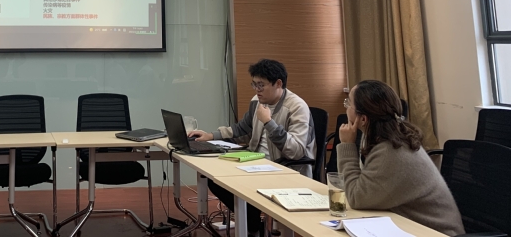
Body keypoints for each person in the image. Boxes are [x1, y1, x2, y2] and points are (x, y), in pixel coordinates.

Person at [189, 59, 316, 234]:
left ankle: (252, 226)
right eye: (254, 84)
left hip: (285, 169)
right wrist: (211, 135)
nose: (257, 90)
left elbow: (296, 151)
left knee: (238, 185)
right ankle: (253, 225)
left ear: (278, 84)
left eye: (261, 85)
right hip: (256, 162)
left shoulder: (297, 107)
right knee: (215, 179)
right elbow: (242, 129)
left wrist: (269, 123)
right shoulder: (257, 101)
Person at [337, 80, 464, 236]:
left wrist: (347, 145)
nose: (346, 107)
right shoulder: (388, 139)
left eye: (348, 103)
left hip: (433, 233)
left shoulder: (390, 151)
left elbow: (355, 197)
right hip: (406, 226)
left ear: (363, 119)